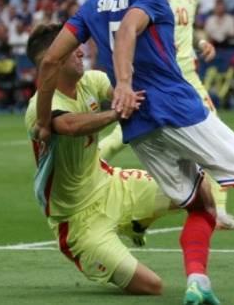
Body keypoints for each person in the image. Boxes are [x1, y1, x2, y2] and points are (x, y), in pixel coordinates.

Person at [34, 0, 234, 305]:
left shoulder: (94, 1)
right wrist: (122, 82)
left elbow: (50, 60)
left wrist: (42, 121)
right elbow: (127, 32)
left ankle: (198, 284)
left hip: (138, 123)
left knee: (199, 204)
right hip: (174, 104)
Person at [97, 0, 234, 230]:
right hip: (159, 80)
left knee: (214, 143)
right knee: (120, 137)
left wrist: (201, 41)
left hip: (189, 78)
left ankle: (218, 211)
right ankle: (91, 176)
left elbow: (188, 25)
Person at [24, 24, 176, 295]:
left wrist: (128, 91)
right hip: (77, 221)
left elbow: (119, 90)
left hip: (110, 186)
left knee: (192, 189)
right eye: (73, 48)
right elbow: (70, 125)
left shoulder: (90, 81)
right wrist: (118, 114)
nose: (81, 52)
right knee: (152, 286)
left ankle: (137, 223)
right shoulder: (40, 107)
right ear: (53, 58)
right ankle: (127, 229)